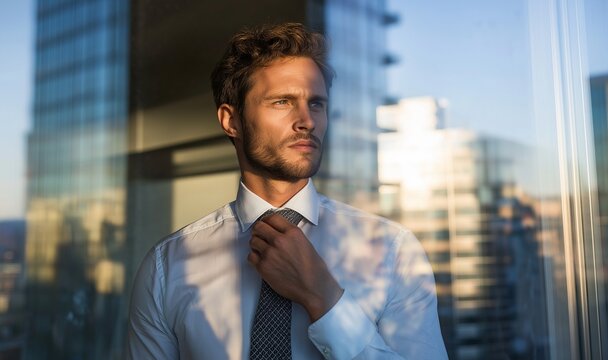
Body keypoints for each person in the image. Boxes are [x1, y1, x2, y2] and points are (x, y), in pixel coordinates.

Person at [125, 23, 447, 360]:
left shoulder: (393, 251)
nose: (306, 120)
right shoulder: (168, 266)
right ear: (231, 121)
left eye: (317, 104)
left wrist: (323, 298)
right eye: (282, 102)